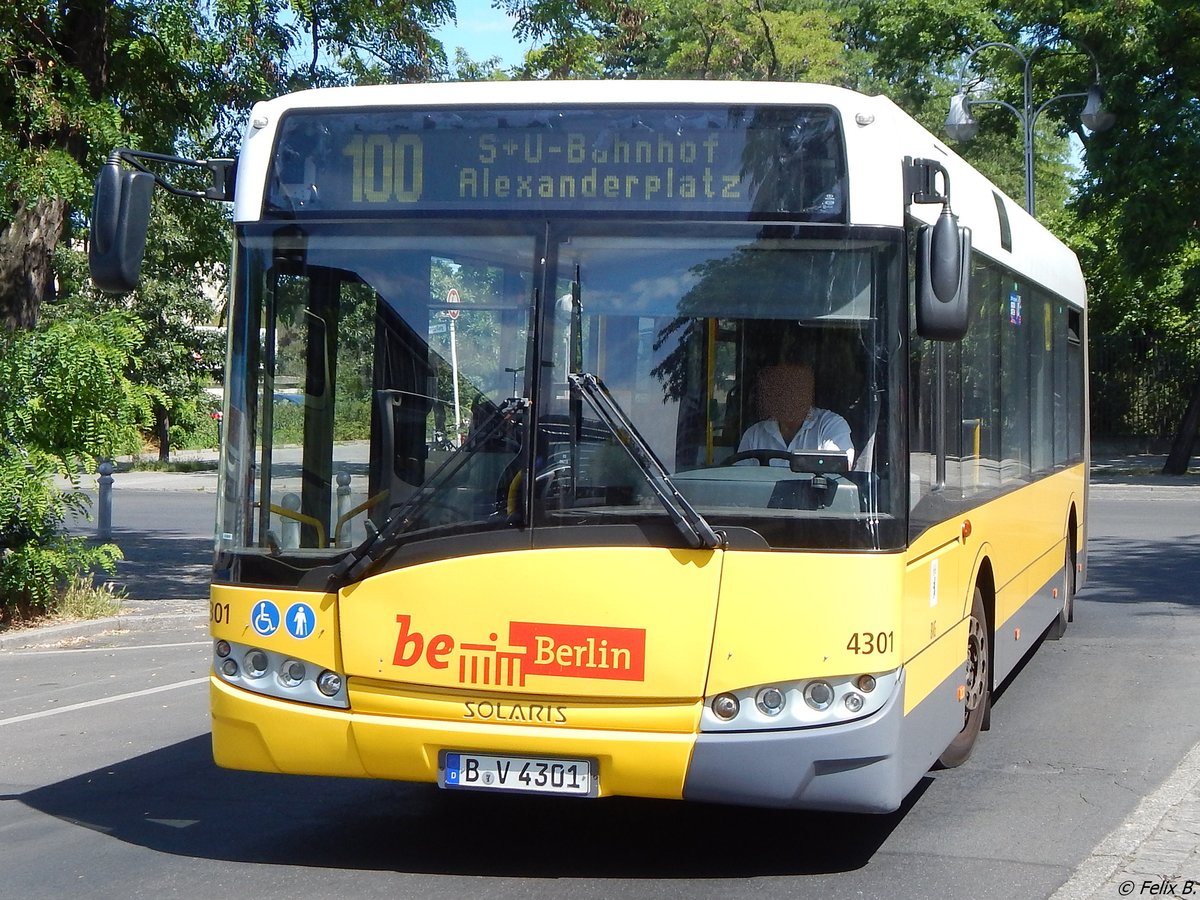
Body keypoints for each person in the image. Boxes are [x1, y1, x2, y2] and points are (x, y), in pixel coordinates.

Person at [736, 363, 854, 466]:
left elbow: (838, 469)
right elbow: (739, 479)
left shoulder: (831, 425)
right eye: (781, 389)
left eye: (795, 389)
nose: (788, 396)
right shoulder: (754, 434)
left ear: (808, 395)